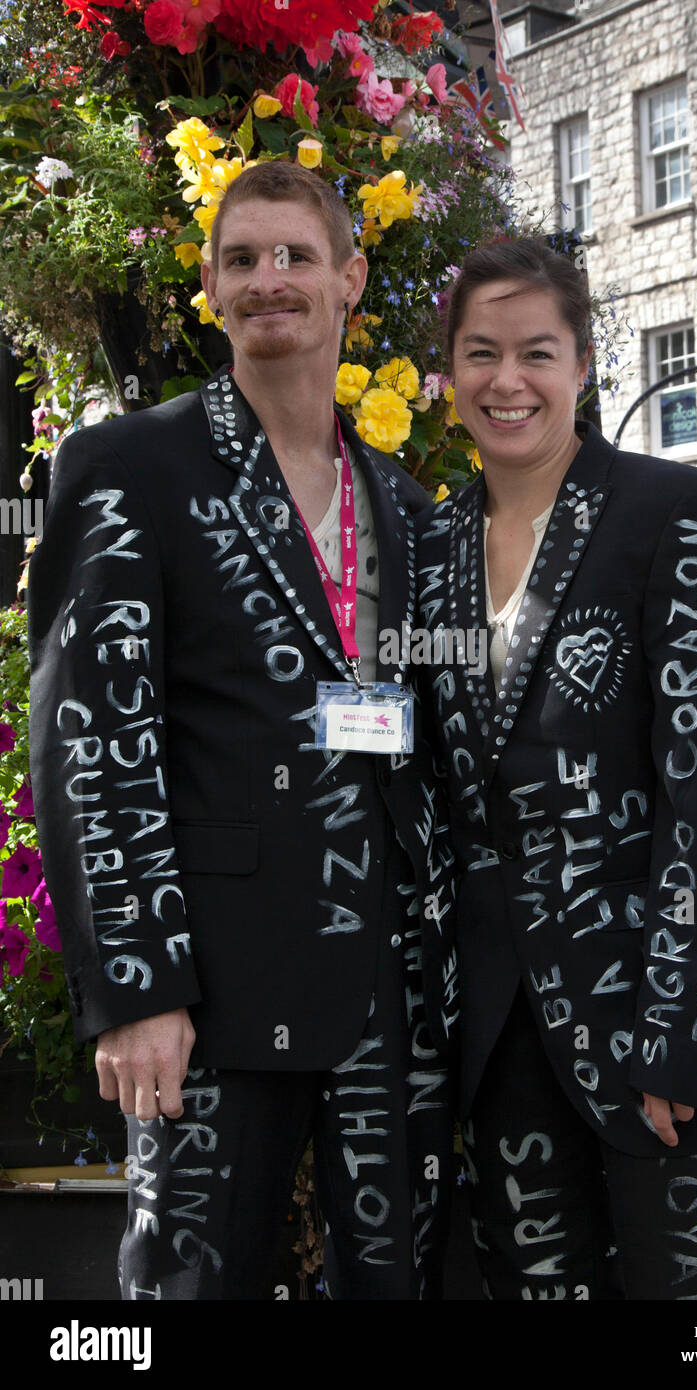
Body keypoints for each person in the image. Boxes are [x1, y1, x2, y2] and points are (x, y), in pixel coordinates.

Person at [28, 161, 458, 1301]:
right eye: (241, 260)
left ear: (349, 279)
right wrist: (134, 986)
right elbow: (88, 743)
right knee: (183, 1290)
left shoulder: (408, 508)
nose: (270, 281)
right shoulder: (129, 469)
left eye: (295, 257)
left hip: (387, 985)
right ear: (210, 292)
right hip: (211, 988)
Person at [417, 237, 697, 1301]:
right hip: (492, 1042)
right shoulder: (431, 551)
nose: (507, 380)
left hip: (647, 1023)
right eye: (480, 353)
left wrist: (686, 1032)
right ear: (448, 375)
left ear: (582, 363)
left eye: (536, 350)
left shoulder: (675, 515)